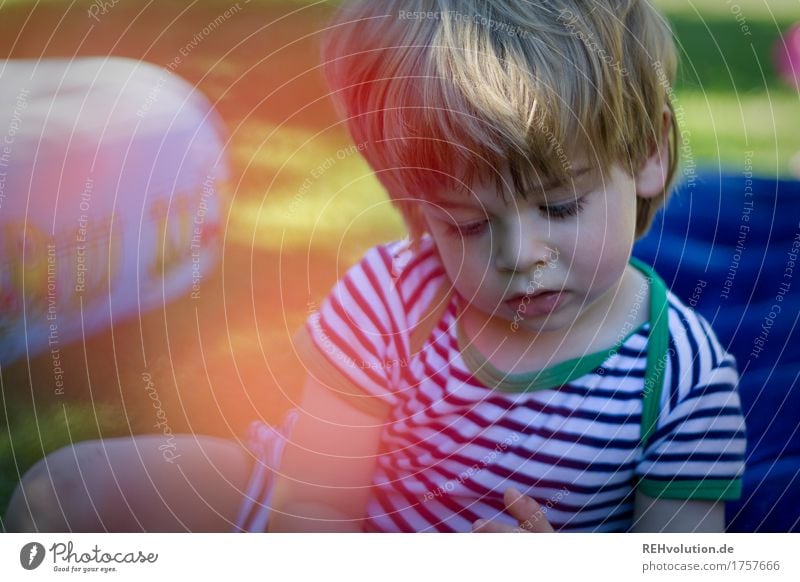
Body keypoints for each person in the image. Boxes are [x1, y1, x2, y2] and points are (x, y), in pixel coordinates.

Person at [5, 0, 746, 533]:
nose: (520, 256)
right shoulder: (394, 296)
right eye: (465, 223)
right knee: (66, 493)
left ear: (648, 153)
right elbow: (313, 505)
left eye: (560, 208)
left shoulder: (679, 378)